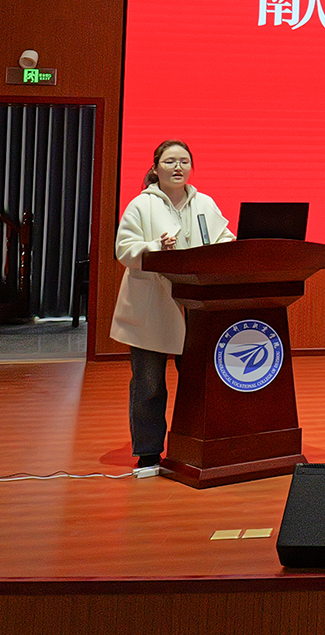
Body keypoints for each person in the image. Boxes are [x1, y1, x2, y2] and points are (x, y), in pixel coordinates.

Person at [111, 139, 234, 476]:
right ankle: (148, 454)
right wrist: (155, 246)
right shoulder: (141, 205)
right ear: (155, 169)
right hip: (151, 306)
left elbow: (224, 239)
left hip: (196, 307)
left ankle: (195, 447)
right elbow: (124, 250)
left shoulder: (205, 203)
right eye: (169, 161)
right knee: (149, 384)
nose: (178, 167)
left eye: (183, 161)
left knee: (197, 382)